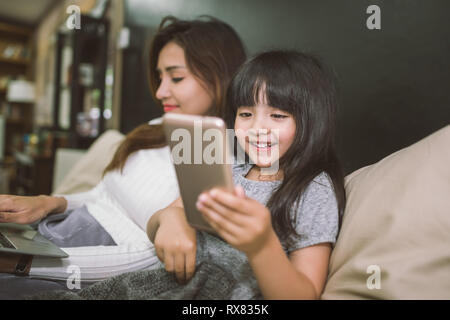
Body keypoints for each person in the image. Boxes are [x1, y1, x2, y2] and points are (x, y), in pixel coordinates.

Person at [0, 15, 246, 295]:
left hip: (82, 265)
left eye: (176, 77)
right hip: (52, 235)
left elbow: (152, 260)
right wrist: (48, 203)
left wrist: (21, 265)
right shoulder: (155, 128)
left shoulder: (226, 157)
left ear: (220, 76)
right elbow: (102, 195)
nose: (161, 91)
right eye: (160, 77)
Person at [147, 50, 347, 299]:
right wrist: (170, 218)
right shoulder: (229, 167)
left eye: (277, 116)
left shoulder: (313, 189)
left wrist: (262, 245)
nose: (256, 128)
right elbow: (158, 221)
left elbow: (305, 295)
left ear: (310, 122)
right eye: (245, 114)